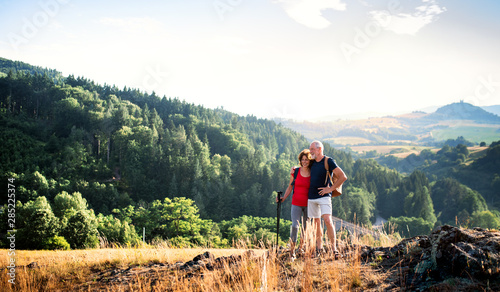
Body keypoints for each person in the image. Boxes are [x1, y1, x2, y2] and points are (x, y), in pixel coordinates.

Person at [308, 140, 347, 257]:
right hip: (311, 196)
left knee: (327, 220)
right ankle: (319, 249)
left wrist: (330, 189)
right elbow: (303, 167)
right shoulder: (311, 162)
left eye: (312, 149)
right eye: (310, 149)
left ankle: (333, 248)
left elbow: (343, 176)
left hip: (324, 196)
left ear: (319, 149)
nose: (310, 151)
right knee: (316, 222)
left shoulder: (328, 161)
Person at [277, 149, 312, 258]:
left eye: (306, 160)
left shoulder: (313, 172)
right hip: (296, 202)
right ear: (300, 160)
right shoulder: (295, 171)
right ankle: (292, 251)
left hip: (309, 204)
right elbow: (290, 186)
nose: (304, 162)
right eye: (302, 160)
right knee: (294, 226)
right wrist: (283, 198)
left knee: (305, 228)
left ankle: (300, 249)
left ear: (310, 161)